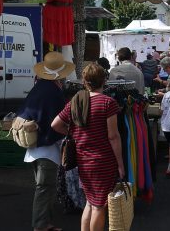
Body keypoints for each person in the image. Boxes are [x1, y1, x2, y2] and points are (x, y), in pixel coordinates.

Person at [50, 64, 123, 231]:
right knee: (99, 206)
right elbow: (113, 136)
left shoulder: (76, 102)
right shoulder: (108, 103)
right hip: (103, 161)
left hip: (83, 160)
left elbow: (55, 124)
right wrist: (120, 164)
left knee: (90, 203)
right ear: (104, 81)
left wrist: (73, 134)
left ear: (84, 81)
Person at [20, 52, 72, 231]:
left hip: (35, 146)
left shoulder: (39, 87)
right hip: (46, 149)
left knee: (45, 187)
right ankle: (40, 225)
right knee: (44, 188)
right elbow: (56, 123)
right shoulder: (53, 92)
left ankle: (45, 223)